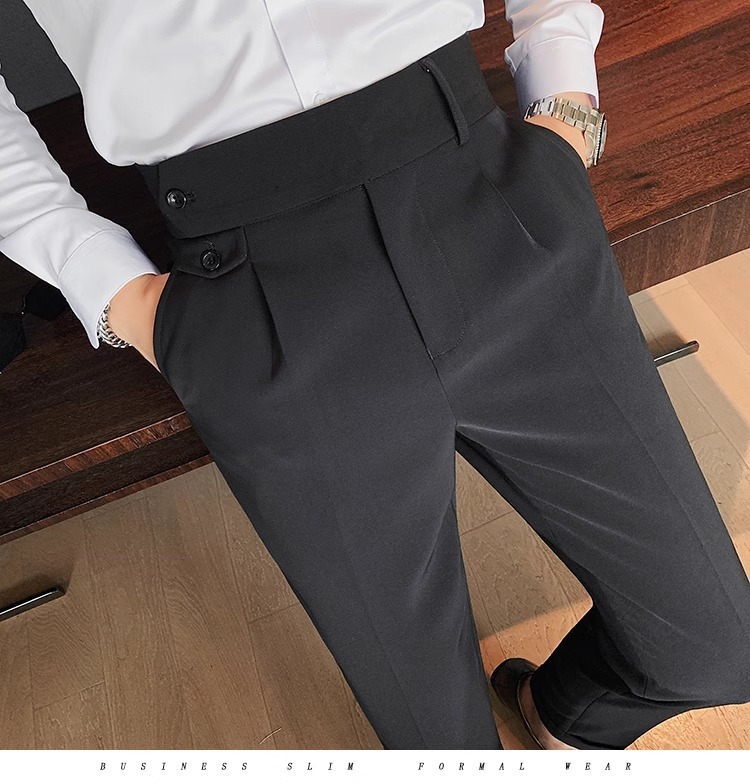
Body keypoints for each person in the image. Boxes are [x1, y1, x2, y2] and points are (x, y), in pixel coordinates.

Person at [2, 0, 748, 752]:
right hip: (256, 279)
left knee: (716, 647)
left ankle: (562, 715)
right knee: (435, 740)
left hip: (480, 183)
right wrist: (109, 287)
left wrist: (564, 91)